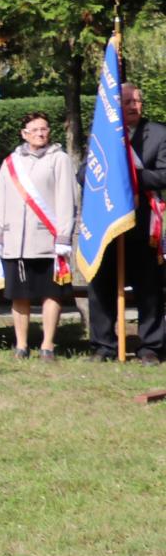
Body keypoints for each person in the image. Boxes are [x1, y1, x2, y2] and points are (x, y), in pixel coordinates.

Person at [0, 110, 76, 360]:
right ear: (24, 134)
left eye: (44, 128)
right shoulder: (11, 162)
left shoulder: (59, 159)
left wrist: (63, 237)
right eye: (34, 130)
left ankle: (47, 345)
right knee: (19, 295)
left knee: (52, 293)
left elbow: (66, 199)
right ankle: (21, 345)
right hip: (15, 242)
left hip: (47, 241)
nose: (40, 133)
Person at [89, 83, 166, 362]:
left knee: (149, 289)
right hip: (107, 225)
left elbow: (163, 174)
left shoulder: (158, 133)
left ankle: (151, 347)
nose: (134, 106)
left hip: (143, 224)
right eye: (127, 101)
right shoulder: (102, 134)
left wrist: (130, 176)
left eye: (137, 101)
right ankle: (104, 345)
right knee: (101, 287)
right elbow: (85, 173)